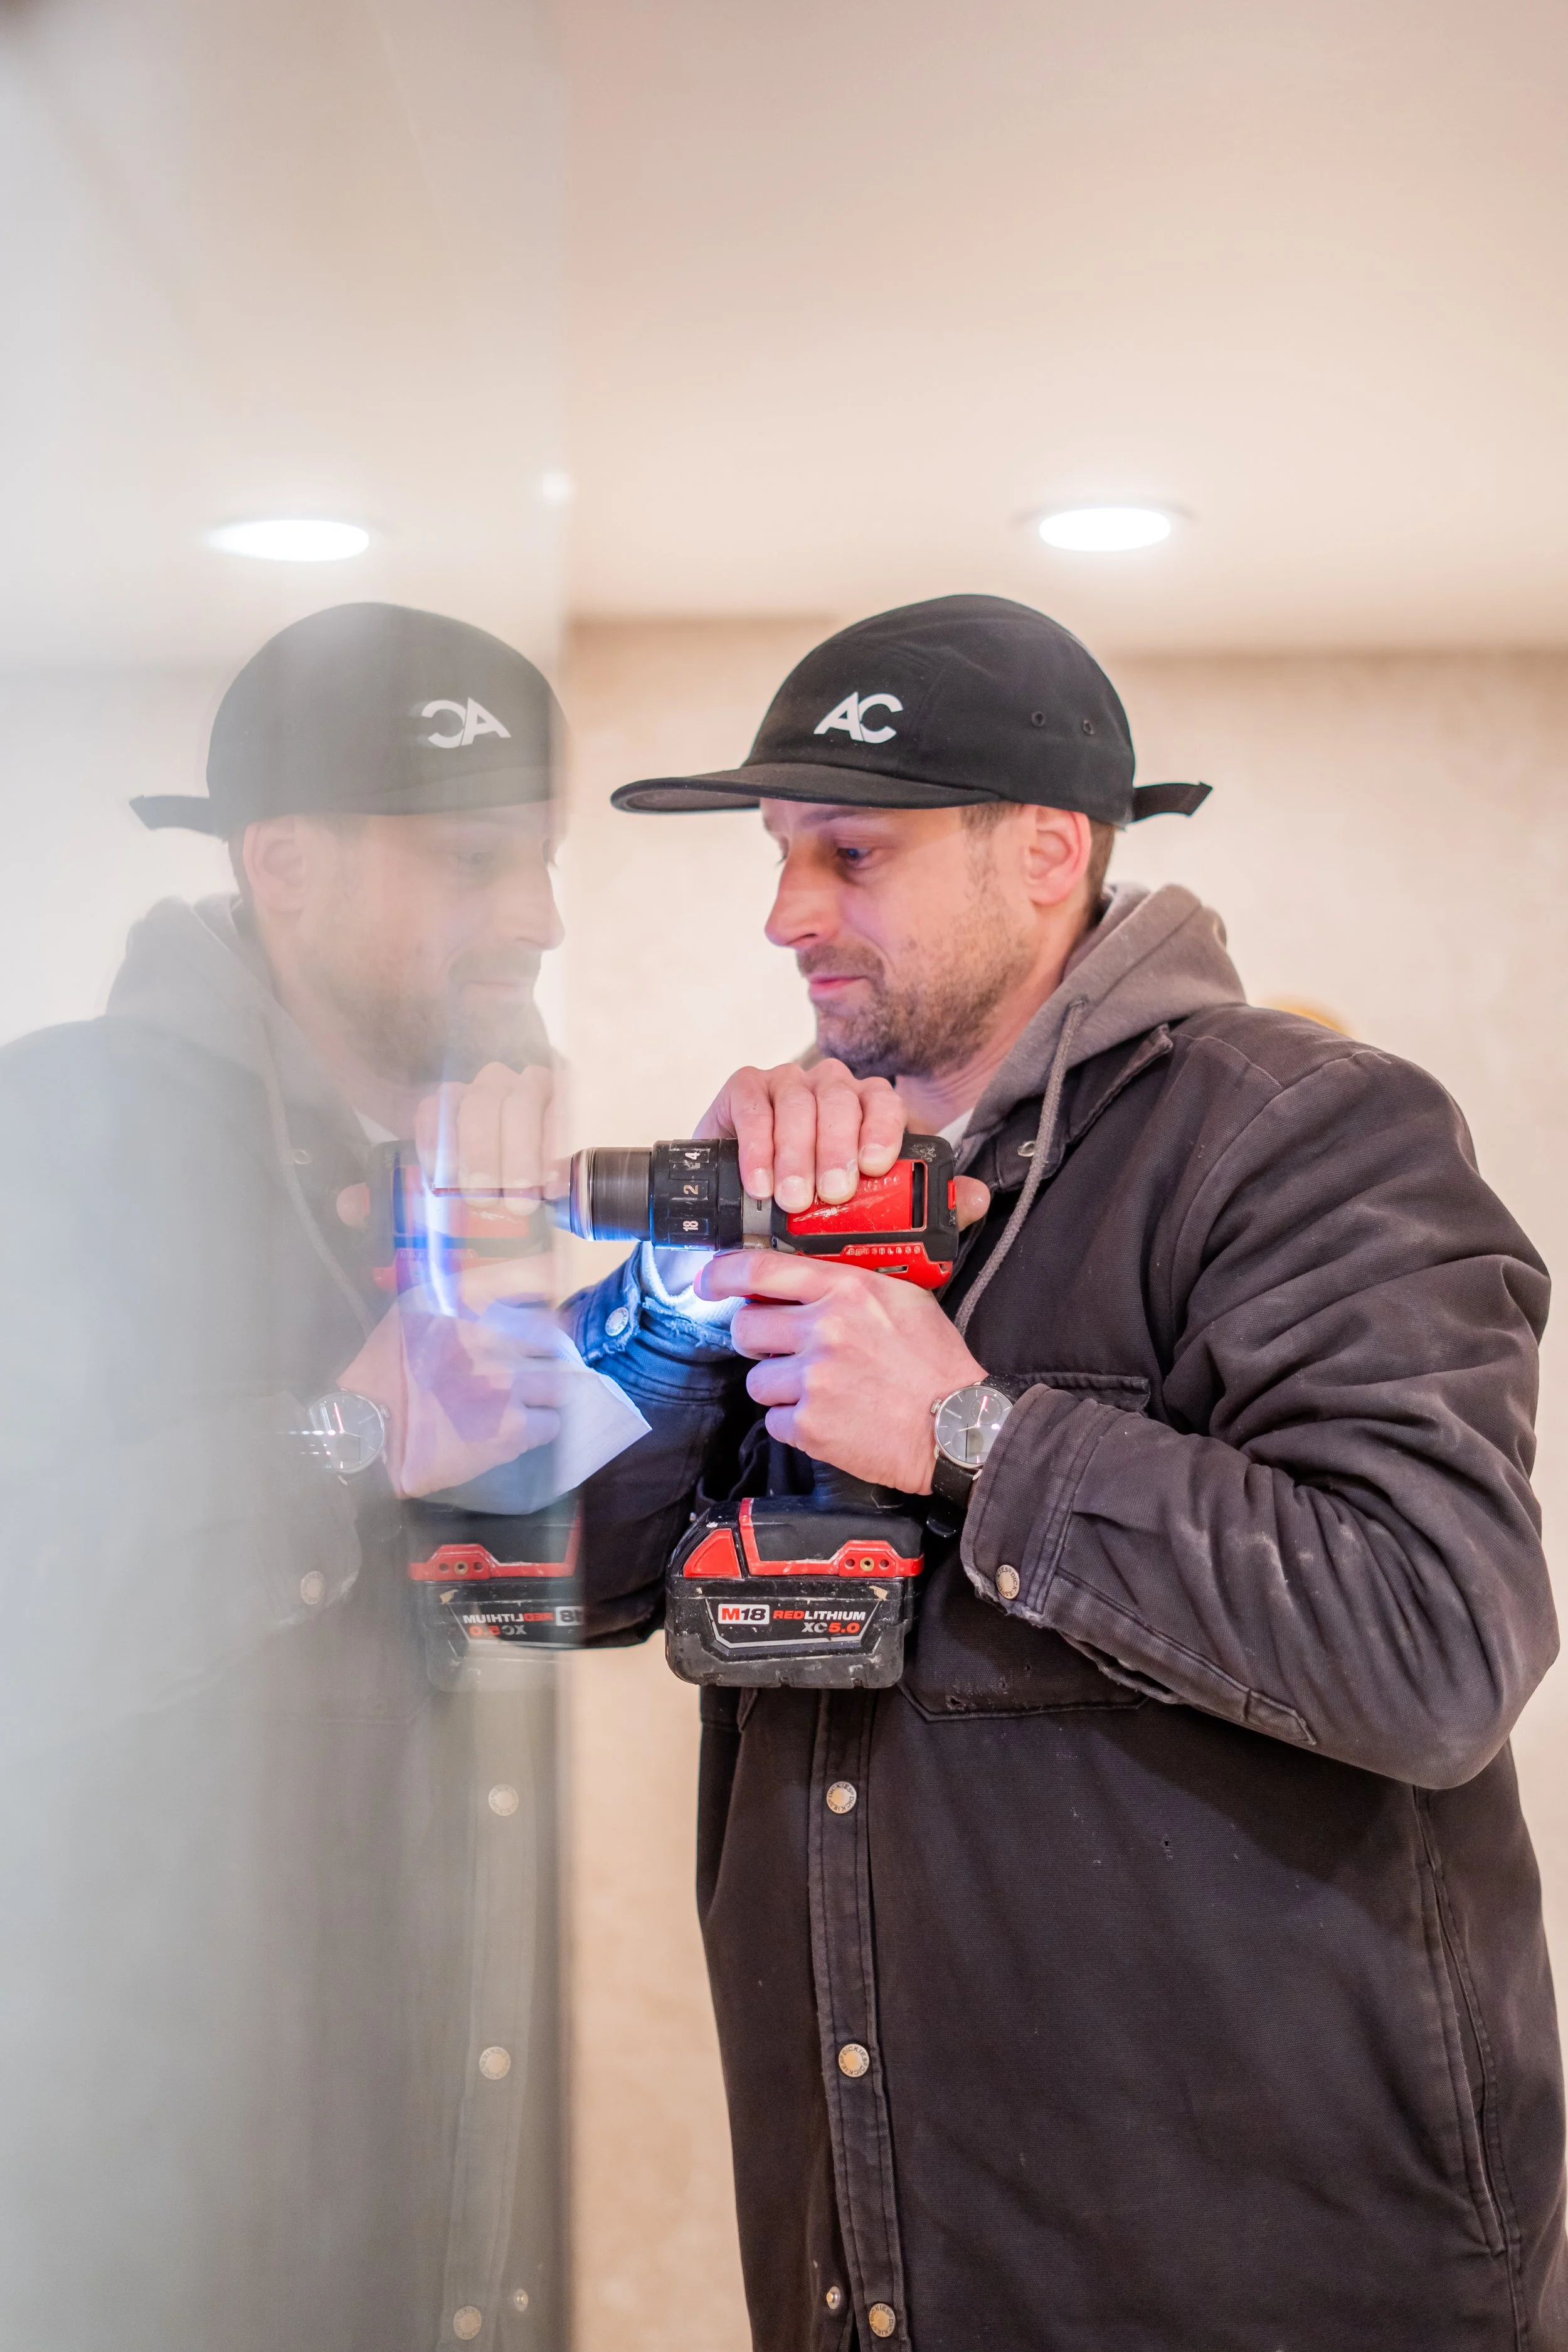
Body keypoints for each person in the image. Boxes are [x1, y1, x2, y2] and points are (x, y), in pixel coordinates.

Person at [564, 595, 1566, 2350]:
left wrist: (973, 1437)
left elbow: (1434, 1646)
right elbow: (554, 1569)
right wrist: (672, 1293)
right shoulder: (797, 1166)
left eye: (848, 850)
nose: (783, 910)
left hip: (1268, 2292)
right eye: (783, 850)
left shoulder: (1303, 1133)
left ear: (1044, 852)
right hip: (875, 2272)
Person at [0, 600, 643, 2349]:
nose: (541, 916)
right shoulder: (55, 1137)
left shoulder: (454, 1184)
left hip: (438, 2227)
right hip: (129, 2254)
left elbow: (546, 1587)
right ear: (282, 864)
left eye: (544, 859)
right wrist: (345, 1435)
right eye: (475, 860)